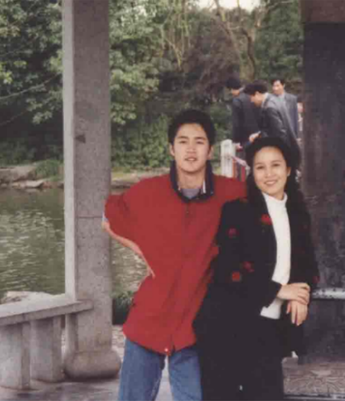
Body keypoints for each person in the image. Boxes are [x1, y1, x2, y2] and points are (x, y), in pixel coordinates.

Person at [103, 109, 245, 401]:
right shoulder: (148, 191)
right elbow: (108, 219)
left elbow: (270, 216)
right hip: (149, 318)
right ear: (171, 149)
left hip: (195, 324)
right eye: (183, 141)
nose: (191, 149)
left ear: (210, 150)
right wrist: (142, 250)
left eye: (199, 142)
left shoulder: (232, 192)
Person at [194, 136, 320, 400]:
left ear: (288, 169)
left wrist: (300, 295)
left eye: (276, 165)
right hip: (226, 326)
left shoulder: (297, 213)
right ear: (252, 172)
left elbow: (307, 264)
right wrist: (280, 290)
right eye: (260, 167)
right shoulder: (237, 211)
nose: (269, 174)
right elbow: (228, 270)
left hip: (269, 328)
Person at [244, 80, 301, 166]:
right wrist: (259, 134)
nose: (251, 101)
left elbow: (279, 134)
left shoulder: (269, 108)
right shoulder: (274, 99)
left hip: (284, 155)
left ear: (257, 94)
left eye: (251, 97)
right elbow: (272, 128)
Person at [226, 77, 261, 151]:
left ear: (231, 89)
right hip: (258, 135)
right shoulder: (252, 95)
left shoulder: (237, 101)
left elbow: (236, 124)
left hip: (245, 140)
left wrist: (236, 141)